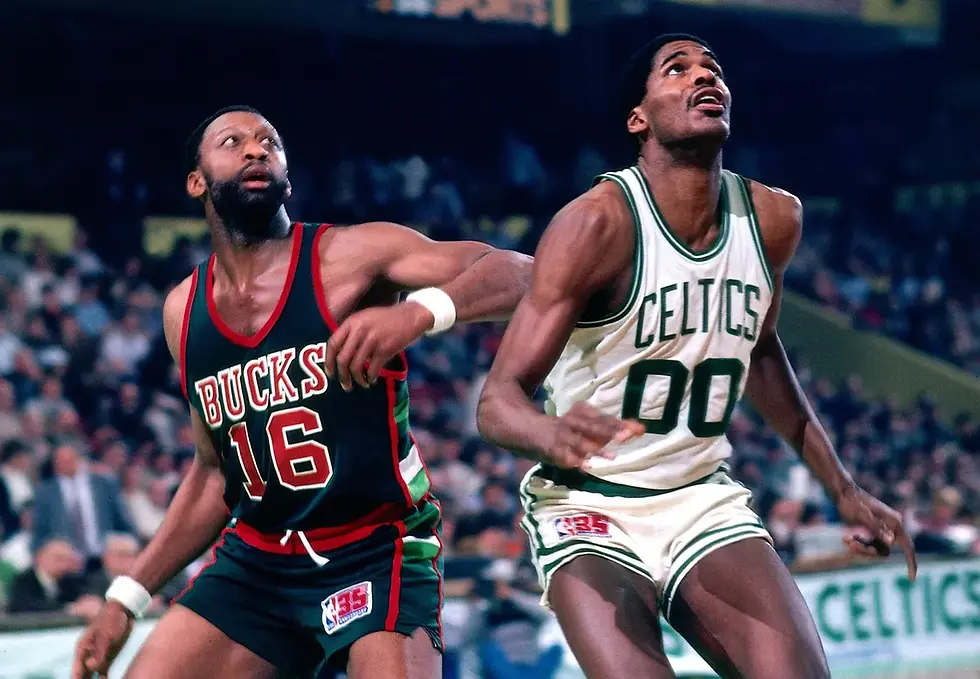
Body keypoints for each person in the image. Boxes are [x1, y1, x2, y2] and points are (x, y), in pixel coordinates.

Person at [476, 34, 917, 679]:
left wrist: (842, 488)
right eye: (676, 70)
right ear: (639, 118)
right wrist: (548, 430)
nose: (702, 77)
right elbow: (496, 403)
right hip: (589, 506)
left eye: (712, 68)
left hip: (699, 499)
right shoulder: (596, 223)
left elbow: (760, 354)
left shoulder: (774, 219)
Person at [72, 105, 532, 679]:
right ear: (196, 182)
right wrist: (126, 597)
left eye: (270, 141)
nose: (255, 149)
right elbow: (215, 473)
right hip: (259, 561)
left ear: (288, 171)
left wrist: (419, 313)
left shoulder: (352, 254)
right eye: (232, 141)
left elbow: (523, 272)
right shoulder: (181, 313)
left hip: (373, 547)